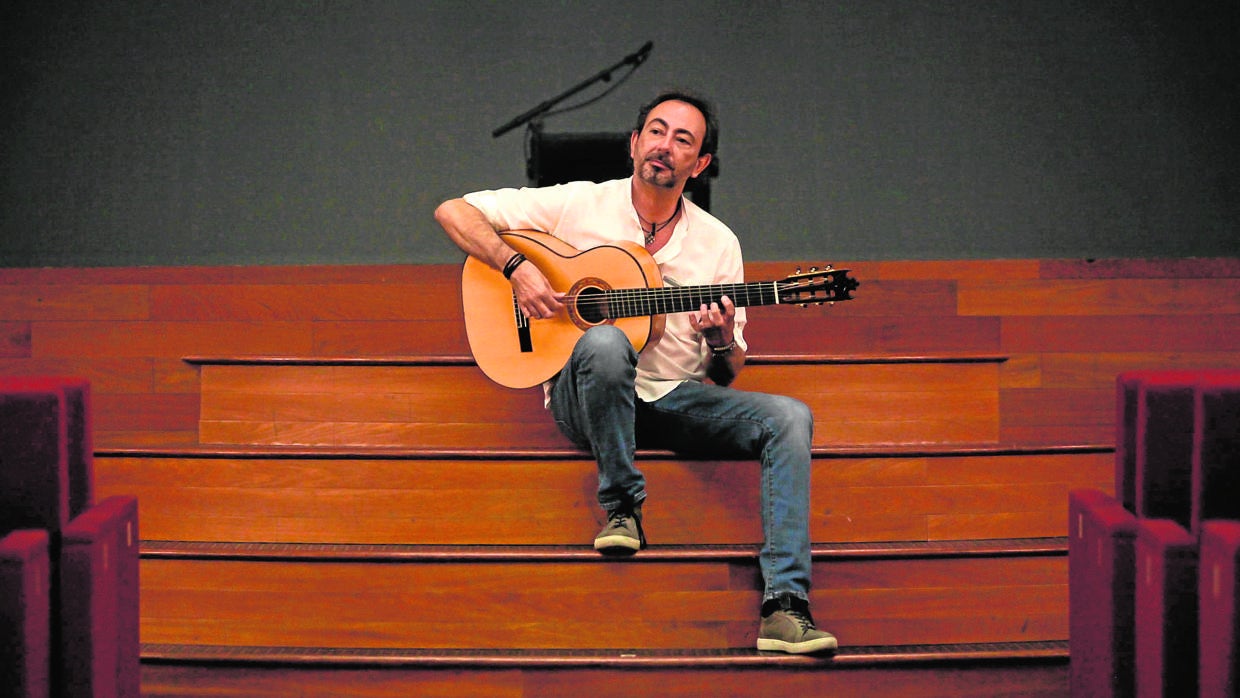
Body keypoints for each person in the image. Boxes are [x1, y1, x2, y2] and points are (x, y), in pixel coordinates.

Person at [434, 90, 836, 654]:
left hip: (672, 402)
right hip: (590, 403)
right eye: (656, 130)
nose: (664, 146)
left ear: (700, 165)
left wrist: (721, 341)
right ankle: (622, 507)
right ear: (633, 143)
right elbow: (453, 210)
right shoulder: (578, 206)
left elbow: (728, 372)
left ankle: (784, 607)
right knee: (603, 339)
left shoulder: (718, 243)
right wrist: (517, 266)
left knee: (791, 417)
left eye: (682, 139)